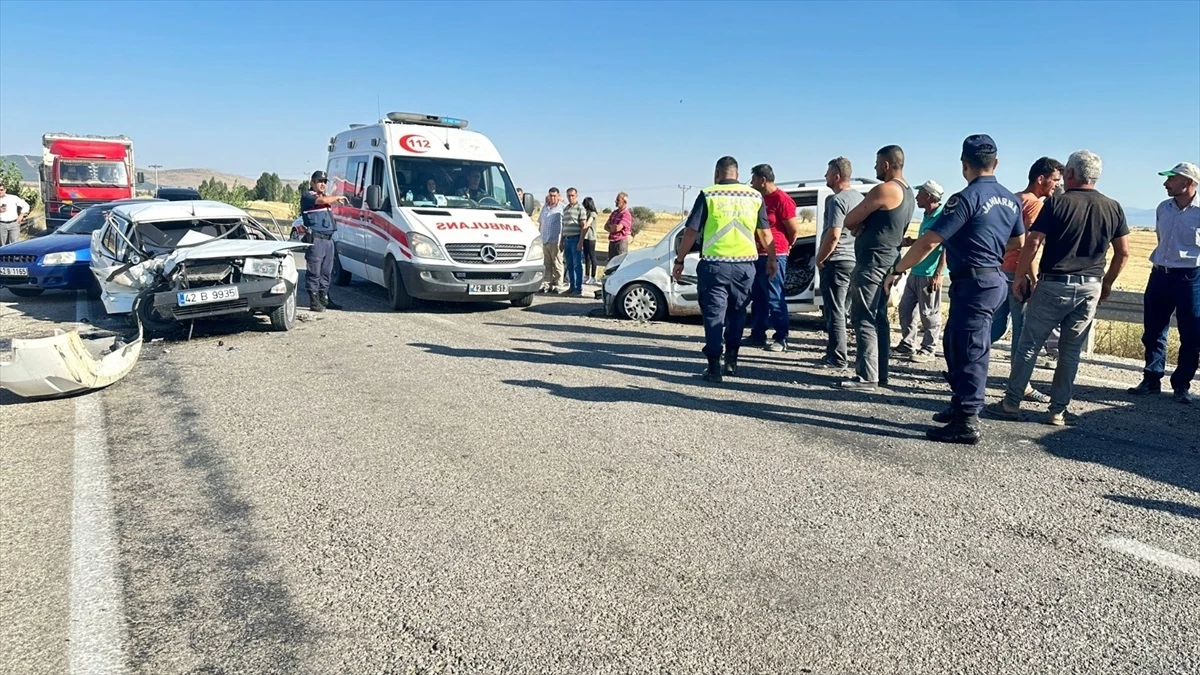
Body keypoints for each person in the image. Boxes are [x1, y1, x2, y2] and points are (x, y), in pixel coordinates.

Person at [884, 134, 1024, 444]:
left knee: (971, 349)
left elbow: (929, 241)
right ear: (996, 163)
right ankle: (959, 402)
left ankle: (967, 420)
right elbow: (1018, 242)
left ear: (964, 165)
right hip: (991, 279)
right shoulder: (1011, 199)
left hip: (975, 282)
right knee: (954, 342)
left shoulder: (965, 199)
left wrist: (897, 269)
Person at [987, 150, 1131, 425]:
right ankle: (1057, 411)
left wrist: (1020, 277)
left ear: (1071, 174)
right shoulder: (1113, 206)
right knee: (1070, 351)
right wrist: (1108, 283)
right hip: (1090, 285)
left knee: (1029, 344)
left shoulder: (1057, 203)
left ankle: (1011, 402)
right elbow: (1123, 252)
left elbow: (1033, 241)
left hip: (1054, 282)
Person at [673, 156, 776, 383]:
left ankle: (713, 367)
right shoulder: (754, 196)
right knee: (737, 313)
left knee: (713, 316)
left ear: (717, 174)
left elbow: (691, 231)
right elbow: (765, 233)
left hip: (715, 266)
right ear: (737, 175)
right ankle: (731, 361)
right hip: (744, 267)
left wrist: (679, 260)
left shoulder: (709, 194)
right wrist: (772, 259)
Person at [841, 145, 916, 390]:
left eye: (876, 163)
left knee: (864, 318)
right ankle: (880, 373)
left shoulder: (885, 189)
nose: (874, 168)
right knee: (880, 318)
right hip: (889, 261)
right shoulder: (908, 193)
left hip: (872, 262)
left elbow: (850, 219)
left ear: (886, 164)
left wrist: (860, 225)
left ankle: (866, 377)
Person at [1128, 161, 1200, 404]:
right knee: (1153, 330)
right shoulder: (1163, 208)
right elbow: (1161, 239)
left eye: (1171, 179)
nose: (1165, 183)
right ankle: (1151, 379)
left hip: (1191, 277)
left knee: (1191, 334)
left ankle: (1182, 385)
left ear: (1188, 183)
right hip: (1160, 274)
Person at [992, 157, 1064, 383]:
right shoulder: (1035, 205)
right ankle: (1019, 383)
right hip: (1017, 273)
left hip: (999, 269)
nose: (1057, 185)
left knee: (995, 326)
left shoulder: (1013, 199)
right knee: (1022, 333)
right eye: (1054, 180)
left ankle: (964, 361)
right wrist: (1032, 278)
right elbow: (1029, 245)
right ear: (1040, 179)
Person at [815, 157, 863, 369]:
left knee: (834, 311)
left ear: (836, 176)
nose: (825, 176)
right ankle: (839, 354)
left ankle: (837, 358)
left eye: (827, 173)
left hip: (837, 261)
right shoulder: (861, 198)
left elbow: (834, 234)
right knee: (845, 311)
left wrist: (820, 258)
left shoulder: (837, 200)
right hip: (854, 261)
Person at [746, 163, 800, 352]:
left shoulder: (782, 199)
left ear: (762, 180)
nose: (750, 183)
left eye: (753, 179)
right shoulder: (758, 199)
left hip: (775, 254)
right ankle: (757, 334)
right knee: (758, 296)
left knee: (774, 296)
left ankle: (781, 337)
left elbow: (793, 229)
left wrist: (786, 246)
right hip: (756, 254)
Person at [894, 180, 948, 363]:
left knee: (929, 313)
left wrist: (939, 273)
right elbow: (925, 242)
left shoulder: (943, 216)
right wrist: (911, 242)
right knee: (906, 308)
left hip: (930, 273)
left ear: (929, 196)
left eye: (920, 193)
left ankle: (928, 348)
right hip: (916, 270)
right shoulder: (927, 215)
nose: (917, 197)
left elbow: (946, 246)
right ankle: (908, 343)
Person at [300, 170, 348, 312]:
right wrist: (336, 197)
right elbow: (320, 201)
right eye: (319, 181)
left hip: (328, 240)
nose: (322, 184)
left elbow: (325, 201)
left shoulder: (325, 198)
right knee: (314, 271)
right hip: (316, 239)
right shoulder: (308, 196)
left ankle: (324, 298)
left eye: (325, 181)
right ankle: (314, 302)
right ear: (312, 183)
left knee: (326, 271)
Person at [560, 187, 587, 295]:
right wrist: (561, 241)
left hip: (576, 239)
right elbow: (563, 226)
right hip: (567, 239)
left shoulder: (580, 208)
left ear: (576, 196)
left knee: (577, 265)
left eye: (572, 195)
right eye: (569, 196)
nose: (570, 198)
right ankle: (571, 286)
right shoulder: (566, 209)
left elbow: (583, 226)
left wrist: (580, 242)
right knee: (569, 265)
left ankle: (578, 288)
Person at [538, 187, 565, 293]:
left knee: (557, 263)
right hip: (545, 239)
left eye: (554, 196)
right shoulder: (545, 208)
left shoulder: (562, 208)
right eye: (551, 196)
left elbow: (564, 225)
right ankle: (546, 284)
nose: (552, 198)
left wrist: (562, 240)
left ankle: (559, 284)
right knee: (546, 264)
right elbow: (541, 223)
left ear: (558, 196)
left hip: (555, 240)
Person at [605, 192, 633, 259]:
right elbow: (606, 226)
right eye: (616, 200)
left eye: (618, 200)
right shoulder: (614, 213)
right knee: (611, 265)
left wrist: (611, 227)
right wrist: (613, 227)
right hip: (612, 242)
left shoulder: (626, 214)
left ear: (624, 201)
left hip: (620, 243)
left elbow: (617, 228)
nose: (616, 202)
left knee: (619, 265)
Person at [581, 197, 599, 285]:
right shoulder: (586, 213)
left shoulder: (593, 214)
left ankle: (593, 276)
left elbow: (587, 224)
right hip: (585, 237)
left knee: (592, 257)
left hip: (591, 237)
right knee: (586, 257)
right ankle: (587, 275)